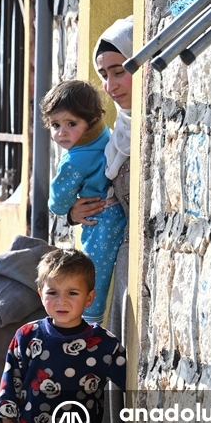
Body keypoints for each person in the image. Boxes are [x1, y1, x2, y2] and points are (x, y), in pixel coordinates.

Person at [0, 248, 127, 423]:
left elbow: (131, 381)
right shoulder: (27, 336)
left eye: (72, 293)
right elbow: (11, 379)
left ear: (90, 298)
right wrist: (7, 422)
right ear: (40, 293)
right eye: (52, 292)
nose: (61, 301)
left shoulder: (103, 344)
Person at [42, 80, 127, 324]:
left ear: (89, 121)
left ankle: (89, 322)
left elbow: (58, 202)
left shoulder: (74, 161)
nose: (62, 132)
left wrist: (66, 209)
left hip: (100, 220)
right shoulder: (103, 134)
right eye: (55, 125)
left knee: (91, 272)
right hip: (116, 211)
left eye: (71, 123)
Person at [69, 17, 134, 261]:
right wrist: (74, 212)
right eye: (104, 75)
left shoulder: (159, 124)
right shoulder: (117, 133)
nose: (110, 86)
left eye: (118, 72)